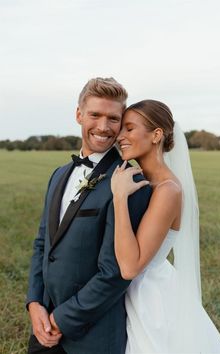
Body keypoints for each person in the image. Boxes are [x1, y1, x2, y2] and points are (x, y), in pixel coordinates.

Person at [26, 78, 151, 354]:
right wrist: (35, 303)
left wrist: (62, 318)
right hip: (43, 326)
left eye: (113, 118)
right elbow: (42, 244)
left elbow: (116, 272)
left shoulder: (130, 183)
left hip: (92, 338)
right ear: (79, 114)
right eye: (95, 115)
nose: (103, 127)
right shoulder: (58, 175)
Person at [111, 99, 220, 353]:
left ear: (156, 135)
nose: (119, 136)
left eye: (129, 129)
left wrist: (119, 198)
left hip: (149, 298)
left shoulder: (168, 190)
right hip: (130, 291)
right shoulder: (140, 179)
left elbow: (131, 267)